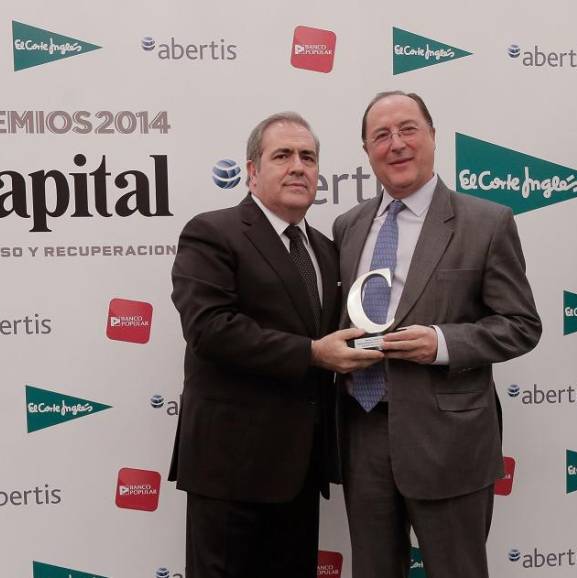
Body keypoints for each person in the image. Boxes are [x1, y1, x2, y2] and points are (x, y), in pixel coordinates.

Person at [333, 91, 542, 578]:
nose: (396, 144)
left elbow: (521, 325)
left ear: (432, 136)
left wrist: (441, 344)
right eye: (381, 135)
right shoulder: (348, 226)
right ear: (366, 151)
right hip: (362, 431)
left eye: (408, 129)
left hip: (448, 441)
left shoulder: (487, 222)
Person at [169, 111, 382, 578]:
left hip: (299, 472)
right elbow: (209, 329)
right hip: (230, 470)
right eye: (282, 155)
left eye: (308, 157)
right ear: (252, 171)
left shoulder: (325, 249)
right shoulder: (212, 232)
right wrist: (313, 353)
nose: (298, 167)